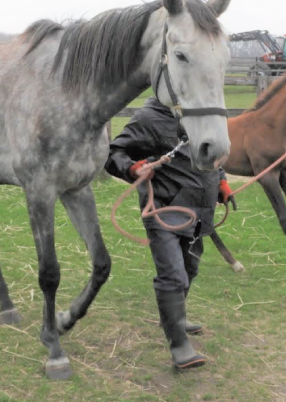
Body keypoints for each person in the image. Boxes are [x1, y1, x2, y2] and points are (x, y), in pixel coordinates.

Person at [105, 97, 237, 371]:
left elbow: (210, 153)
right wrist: (133, 168)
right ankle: (179, 347)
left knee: (190, 269)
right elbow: (113, 153)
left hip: (201, 210)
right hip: (165, 209)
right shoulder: (148, 118)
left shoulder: (200, 112)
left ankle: (175, 316)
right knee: (173, 275)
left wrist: (221, 181)